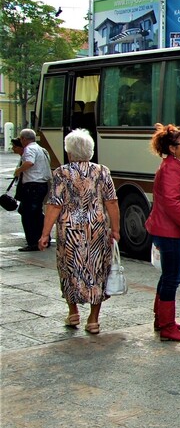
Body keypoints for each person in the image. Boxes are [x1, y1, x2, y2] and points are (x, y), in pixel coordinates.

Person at [37, 129, 121, 335]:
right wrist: (116, 229)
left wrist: (45, 233)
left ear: (69, 152)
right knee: (97, 270)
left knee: (69, 270)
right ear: (90, 150)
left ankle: (73, 311)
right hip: (97, 227)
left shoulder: (61, 173)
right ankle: (93, 320)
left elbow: (54, 205)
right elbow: (111, 202)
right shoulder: (102, 171)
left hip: (69, 229)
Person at [145, 124, 180, 342]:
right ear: (172, 148)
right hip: (169, 230)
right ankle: (167, 326)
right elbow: (171, 201)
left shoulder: (173, 165)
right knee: (172, 277)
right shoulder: (171, 168)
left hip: (167, 228)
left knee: (168, 276)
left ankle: (162, 319)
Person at [14, 129, 52, 251]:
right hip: (42, 185)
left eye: (21, 139)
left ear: (24, 139)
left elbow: (29, 163)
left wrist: (18, 170)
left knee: (28, 214)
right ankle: (44, 238)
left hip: (33, 185)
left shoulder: (30, 149)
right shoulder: (41, 149)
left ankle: (33, 242)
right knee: (36, 213)